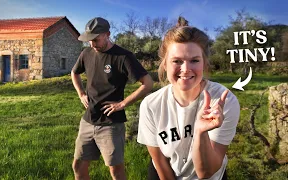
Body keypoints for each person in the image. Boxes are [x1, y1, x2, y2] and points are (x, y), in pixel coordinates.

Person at [137, 17, 240, 180]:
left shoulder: (223, 100)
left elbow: (206, 172)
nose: (185, 69)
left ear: (204, 64)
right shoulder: (151, 105)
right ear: (164, 64)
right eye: (177, 61)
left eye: (194, 61)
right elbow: (159, 161)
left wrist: (200, 132)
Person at [71, 17, 153, 180]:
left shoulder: (123, 56)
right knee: (78, 165)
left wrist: (122, 104)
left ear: (107, 34)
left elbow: (148, 83)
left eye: (96, 39)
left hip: (111, 124)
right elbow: (75, 72)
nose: (92, 44)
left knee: (115, 171)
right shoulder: (86, 53)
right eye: (89, 40)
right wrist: (81, 93)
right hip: (88, 120)